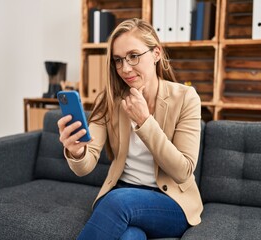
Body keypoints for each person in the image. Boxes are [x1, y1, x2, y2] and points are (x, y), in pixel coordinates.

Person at [57, 18, 203, 240]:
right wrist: (77, 152)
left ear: (156, 53)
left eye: (133, 56)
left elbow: (183, 171)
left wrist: (145, 122)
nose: (124, 68)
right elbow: (85, 166)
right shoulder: (109, 101)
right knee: (130, 237)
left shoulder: (185, 98)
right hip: (123, 193)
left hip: (171, 202)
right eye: (118, 60)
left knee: (117, 201)